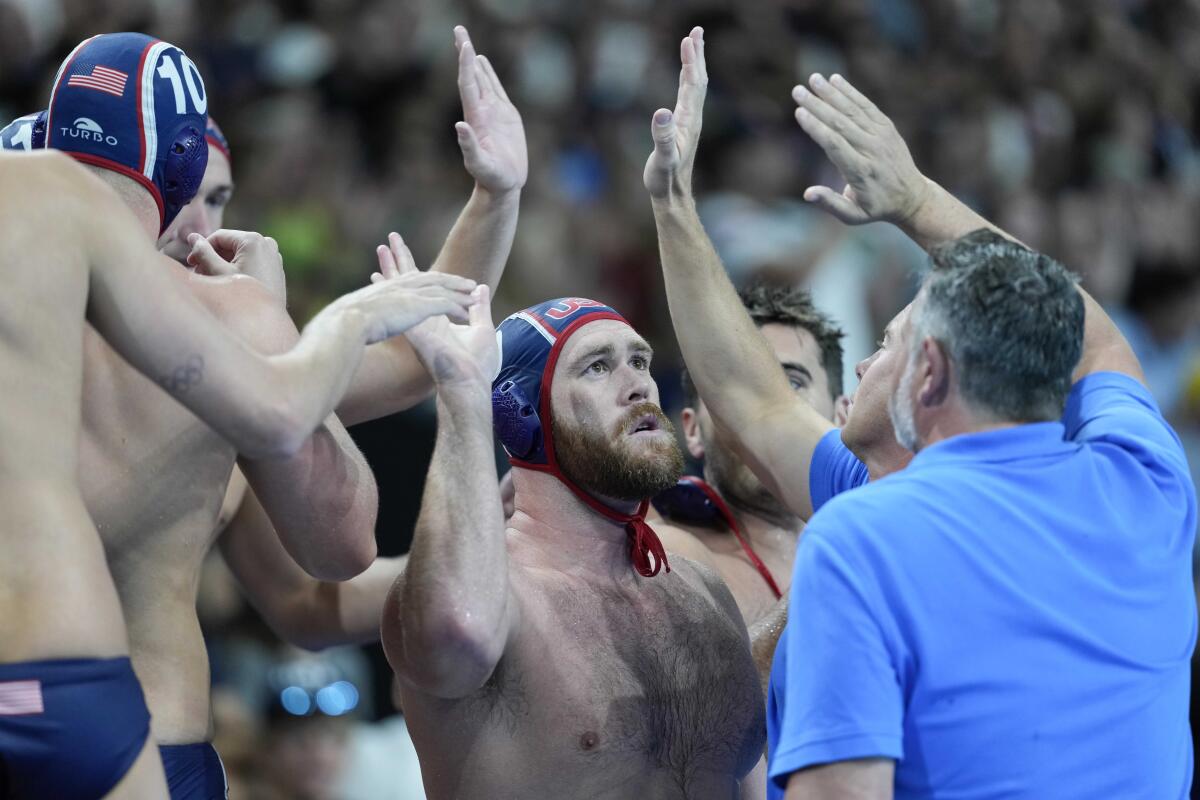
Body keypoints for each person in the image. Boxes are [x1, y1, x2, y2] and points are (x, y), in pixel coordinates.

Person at [647, 30, 1196, 798]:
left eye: (892, 341)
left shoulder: (864, 537)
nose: (870, 363)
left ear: (930, 376)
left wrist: (910, 197)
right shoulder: (1149, 484)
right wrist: (677, 209)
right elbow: (752, 394)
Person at [4, 25, 525, 799]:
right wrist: (284, 318)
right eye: (199, 197)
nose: (203, 231)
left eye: (223, 202)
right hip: (120, 728)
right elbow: (339, 533)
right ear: (167, 178)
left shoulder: (82, 291)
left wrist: (494, 198)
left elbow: (404, 363)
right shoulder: (228, 328)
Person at [376, 234, 765, 798]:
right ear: (519, 416)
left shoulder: (699, 588)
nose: (639, 387)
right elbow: (447, 638)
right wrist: (463, 390)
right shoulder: (496, 602)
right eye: (597, 367)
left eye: (639, 360)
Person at [651, 282, 846, 626]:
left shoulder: (886, 532)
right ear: (692, 428)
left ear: (841, 417)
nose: (761, 412)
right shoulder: (667, 558)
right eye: (733, 388)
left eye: (793, 383)